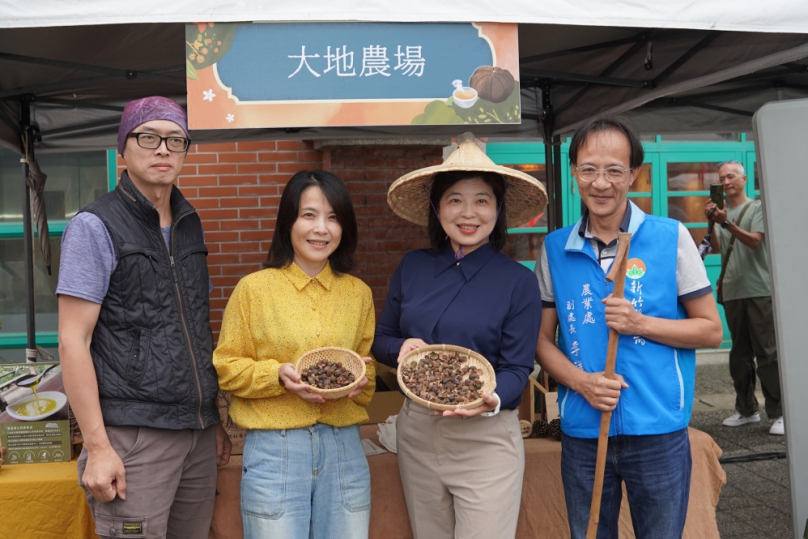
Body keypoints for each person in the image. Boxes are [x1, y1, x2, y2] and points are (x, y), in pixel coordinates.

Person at [535, 117, 723, 539]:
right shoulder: (554, 248)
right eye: (588, 170)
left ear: (633, 174)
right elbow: (541, 342)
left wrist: (640, 323)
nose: (600, 183)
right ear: (573, 174)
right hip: (584, 430)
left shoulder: (671, 237)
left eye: (614, 170)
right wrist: (583, 383)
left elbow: (710, 329)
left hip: (657, 430)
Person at [57, 96, 231, 539]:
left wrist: (211, 418)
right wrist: (97, 447)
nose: (163, 149)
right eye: (148, 137)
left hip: (196, 432)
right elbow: (72, 341)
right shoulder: (95, 226)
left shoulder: (191, 222)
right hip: (133, 436)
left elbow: (194, 328)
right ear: (123, 150)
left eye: (176, 140)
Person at [373, 133, 546, 539]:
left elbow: (518, 367)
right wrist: (401, 347)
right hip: (416, 433)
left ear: (498, 209)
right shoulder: (413, 267)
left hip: (486, 436)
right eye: (454, 199)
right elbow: (380, 339)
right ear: (437, 208)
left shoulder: (518, 282)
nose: (468, 213)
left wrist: (491, 399)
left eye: (482, 200)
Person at [213, 170, 376, 539]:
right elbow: (226, 367)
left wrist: (361, 381)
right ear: (288, 221)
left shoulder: (358, 294)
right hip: (276, 450)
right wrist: (277, 376)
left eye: (333, 217)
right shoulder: (254, 289)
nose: (322, 228)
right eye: (309, 215)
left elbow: (366, 371)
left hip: (344, 447)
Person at [705, 161, 783, 435]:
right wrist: (713, 221)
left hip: (759, 290)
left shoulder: (758, 207)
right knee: (739, 355)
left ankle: (779, 412)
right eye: (721, 178)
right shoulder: (723, 212)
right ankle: (747, 410)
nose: (726, 182)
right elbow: (716, 248)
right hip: (733, 291)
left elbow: (754, 241)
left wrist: (726, 221)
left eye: (731, 176)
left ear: (744, 178)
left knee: (767, 354)